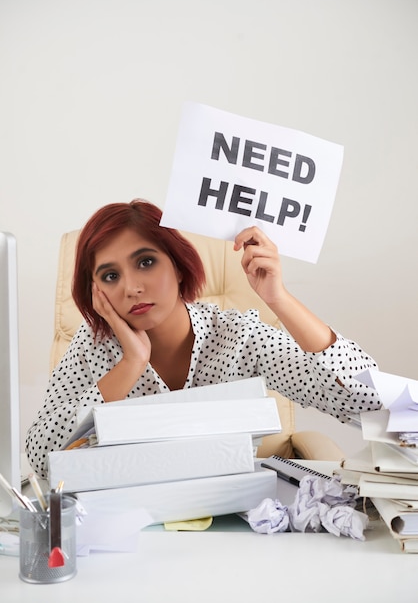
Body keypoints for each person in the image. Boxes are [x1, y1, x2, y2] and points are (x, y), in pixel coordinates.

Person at [26, 199, 381, 477]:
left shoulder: (237, 336)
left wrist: (279, 299)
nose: (131, 287)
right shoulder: (92, 346)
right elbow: (42, 459)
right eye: (109, 275)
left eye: (146, 262)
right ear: (95, 291)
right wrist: (129, 366)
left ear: (178, 267)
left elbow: (369, 403)